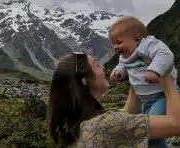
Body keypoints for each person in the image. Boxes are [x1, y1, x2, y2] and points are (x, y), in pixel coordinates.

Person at [47, 52, 180, 148]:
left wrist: (135, 76)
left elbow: (128, 112)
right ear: (85, 80)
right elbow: (176, 124)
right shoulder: (105, 124)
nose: (103, 68)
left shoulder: (75, 123)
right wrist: (164, 73)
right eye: (97, 65)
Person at [109, 16, 178, 147]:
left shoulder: (149, 45)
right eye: (113, 44)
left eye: (119, 42)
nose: (115, 47)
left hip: (162, 94)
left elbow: (166, 55)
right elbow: (122, 66)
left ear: (138, 38)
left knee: (148, 127)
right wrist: (118, 73)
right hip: (144, 98)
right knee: (151, 132)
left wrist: (154, 70)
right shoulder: (125, 55)